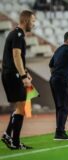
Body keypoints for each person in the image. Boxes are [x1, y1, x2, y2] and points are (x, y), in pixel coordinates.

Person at [1, 10, 36, 149]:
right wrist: (23, 76)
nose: (34, 24)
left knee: (20, 107)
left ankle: (8, 136)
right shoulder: (18, 34)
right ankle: (14, 141)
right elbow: (16, 55)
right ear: (26, 20)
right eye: (33, 21)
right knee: (21, 108)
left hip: (13, 74)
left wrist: (25, 72)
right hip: (13, 75)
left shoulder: (17, 34)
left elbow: (17, 58)